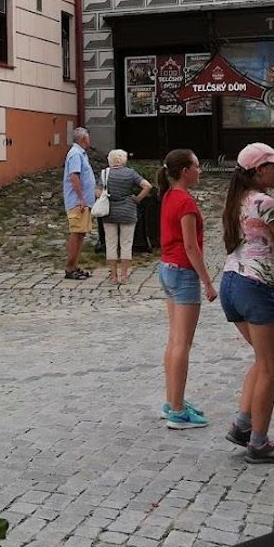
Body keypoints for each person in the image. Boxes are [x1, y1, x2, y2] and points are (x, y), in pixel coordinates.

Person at [219, 142, 274, 464]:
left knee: (263, 358)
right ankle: (259, 442)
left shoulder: (237, 199)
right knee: (268, 365)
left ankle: (242, 424)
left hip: (231, 282)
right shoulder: (266, 203)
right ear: (258, 171)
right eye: (273, 166)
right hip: (257, 285)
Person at [156, 148, 215, 429]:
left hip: (167, 269)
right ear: (184, 172)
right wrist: (207, 281)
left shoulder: (168, 197)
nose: (200, 170)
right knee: (183, 343)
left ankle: (172, 400)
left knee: (173, 340)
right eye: (196, 166)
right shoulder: (186, 203)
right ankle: (178, 411)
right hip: (184, 273)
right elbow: (191, 247)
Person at [100, 148, 152, 286]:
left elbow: (97, 191)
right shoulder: (130, 173)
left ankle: (113, 275)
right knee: (126, 244)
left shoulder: (105, 173)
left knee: (111, 243)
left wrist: (105, 197)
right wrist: (138, 199)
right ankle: (124, 276)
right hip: (128, 211)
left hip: (109, 211)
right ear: (123, 160)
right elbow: (147, 186)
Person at [61, 127, 96, 279]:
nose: (89, 139)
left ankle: (74, 265)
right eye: (88, 136)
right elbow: (74, 177)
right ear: (82, 138)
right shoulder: (75, 154)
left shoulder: (81, 154)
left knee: (81, 233)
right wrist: (81, 197)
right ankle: (70, 268)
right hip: (78, 202)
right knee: (76, 233)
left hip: (84, 201)